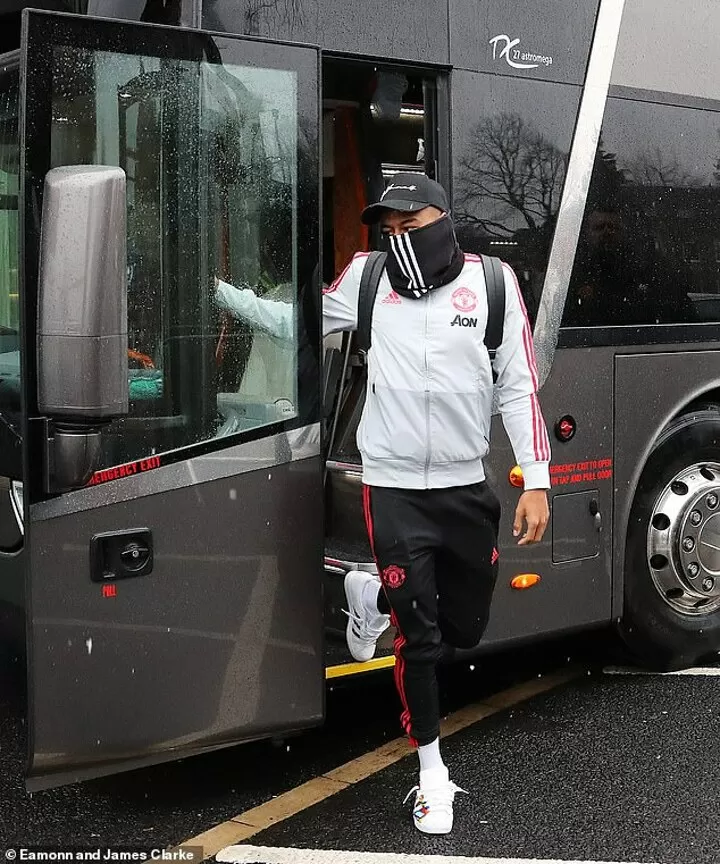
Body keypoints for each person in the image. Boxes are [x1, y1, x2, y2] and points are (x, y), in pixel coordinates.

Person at [322, 173, 550, 835]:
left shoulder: (494, 286)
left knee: (464, 629)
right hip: (391, 488)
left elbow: (519, 387)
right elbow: (300, 318)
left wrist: (535, 480)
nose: (399, 240)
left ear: (443, 219)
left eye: (411, 225)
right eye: (388, 230)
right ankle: (431, 773)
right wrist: (230, 295)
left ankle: (368, 596)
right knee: (419, 641)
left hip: (462, 487)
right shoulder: (367, 281)